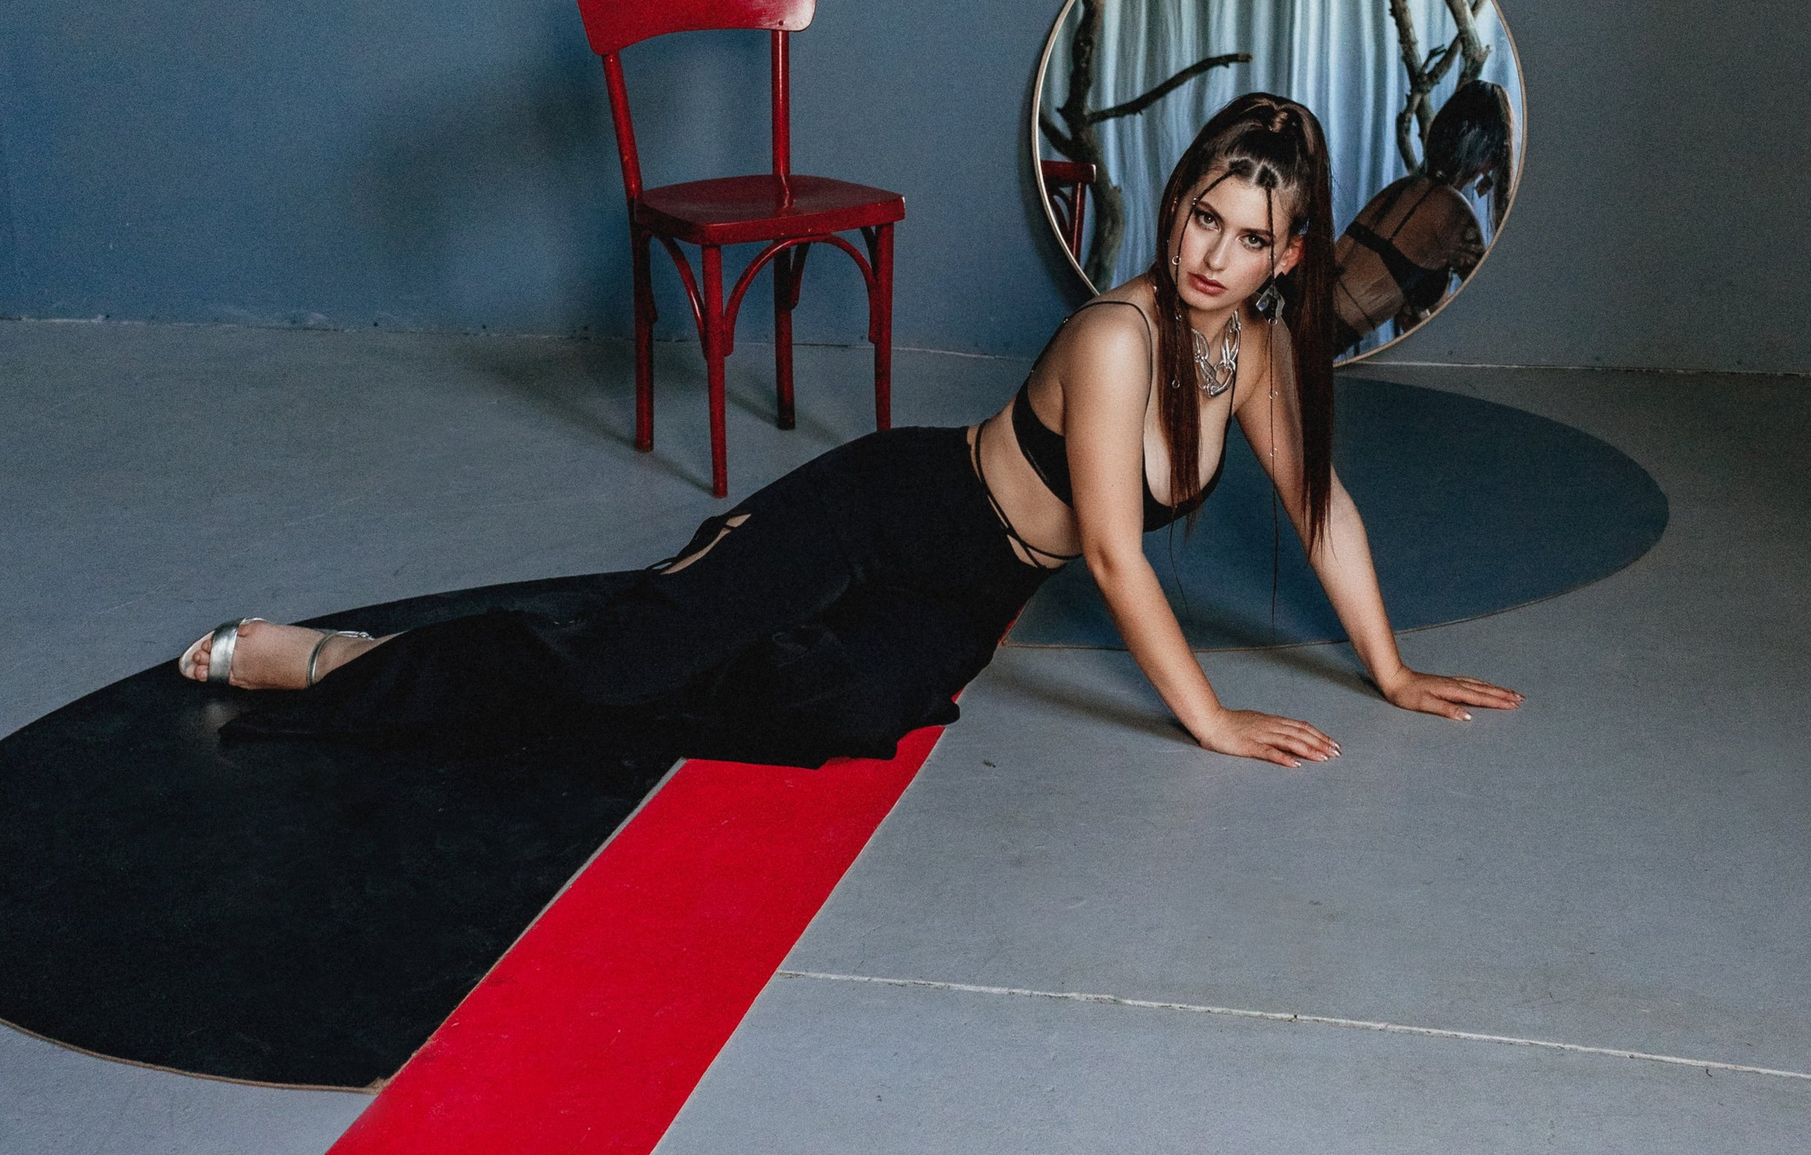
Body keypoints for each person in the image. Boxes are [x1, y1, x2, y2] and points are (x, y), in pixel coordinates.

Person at [179, 93, 1519, 771]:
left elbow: (1322, 507)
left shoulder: (1258, 349)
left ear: (1292, 253)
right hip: (887, 512)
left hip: (972, 581)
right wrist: (1211, 718)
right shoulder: (1119, 336)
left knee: (841, 713)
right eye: (1203, 217)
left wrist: (1392, 669)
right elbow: (1114, 554)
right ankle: (343, 657)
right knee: (619, 665)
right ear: (1176, 206)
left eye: (1250, 236)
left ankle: (637, 647)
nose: (1215, 255)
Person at [1331, 79, 1514, 356]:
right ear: (1488, 158)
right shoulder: (1453, 211)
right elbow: (1491, 313)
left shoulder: (1404, 188)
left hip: (1292, 324)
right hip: (1301, 344)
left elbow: (1415, 317)